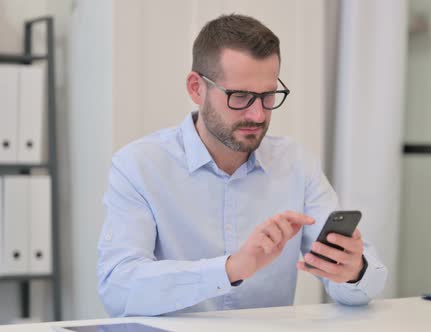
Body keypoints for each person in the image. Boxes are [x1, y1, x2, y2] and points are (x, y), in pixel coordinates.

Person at [97, 14, 387, 317]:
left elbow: (362, 286)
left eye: (268, 96)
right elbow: (118, 289)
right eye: (241, 97)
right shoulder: (139, 165)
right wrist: (230, 269)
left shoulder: (296, 163)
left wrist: (353, 271)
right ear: (197, 88)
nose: (258, 115)